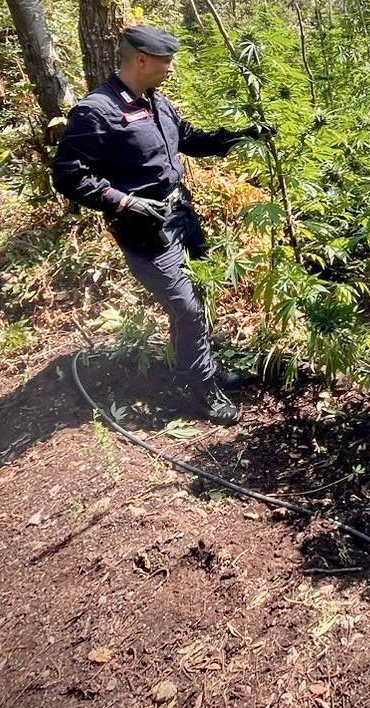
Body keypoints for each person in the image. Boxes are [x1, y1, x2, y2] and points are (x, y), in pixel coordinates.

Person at [53, 25, 271, 425]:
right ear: (142, 60)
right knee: (185, 306)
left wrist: (243, 137)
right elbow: (68, 173)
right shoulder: (96, 111)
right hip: (145, 230)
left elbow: (189, 138)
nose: (171, 68)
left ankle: (205, 365)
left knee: (200, 291)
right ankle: (201, 387)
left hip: (180, 215)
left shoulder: (156, 102)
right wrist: (122, 202)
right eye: (166, 60)